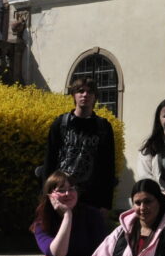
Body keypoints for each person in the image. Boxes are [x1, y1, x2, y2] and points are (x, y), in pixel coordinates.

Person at [44, 77, 116, 214]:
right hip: (62, 192)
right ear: (73, 95)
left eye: (90, 92)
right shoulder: (61, 124)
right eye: (80, 91)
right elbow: (50, 159)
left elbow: (108, 166)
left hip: (91, 196)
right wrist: (47, 195)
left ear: (95, 97)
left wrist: (106, 203)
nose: (85, 95)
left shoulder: (103, 127)